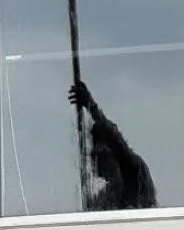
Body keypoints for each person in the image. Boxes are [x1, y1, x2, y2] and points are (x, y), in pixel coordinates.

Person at [68, 79, 158, 211]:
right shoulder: (109, 193)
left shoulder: (134, 171)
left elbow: (115, 139)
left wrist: (91, 107)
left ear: (110, 151)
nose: (94, 163)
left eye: (98, 156)